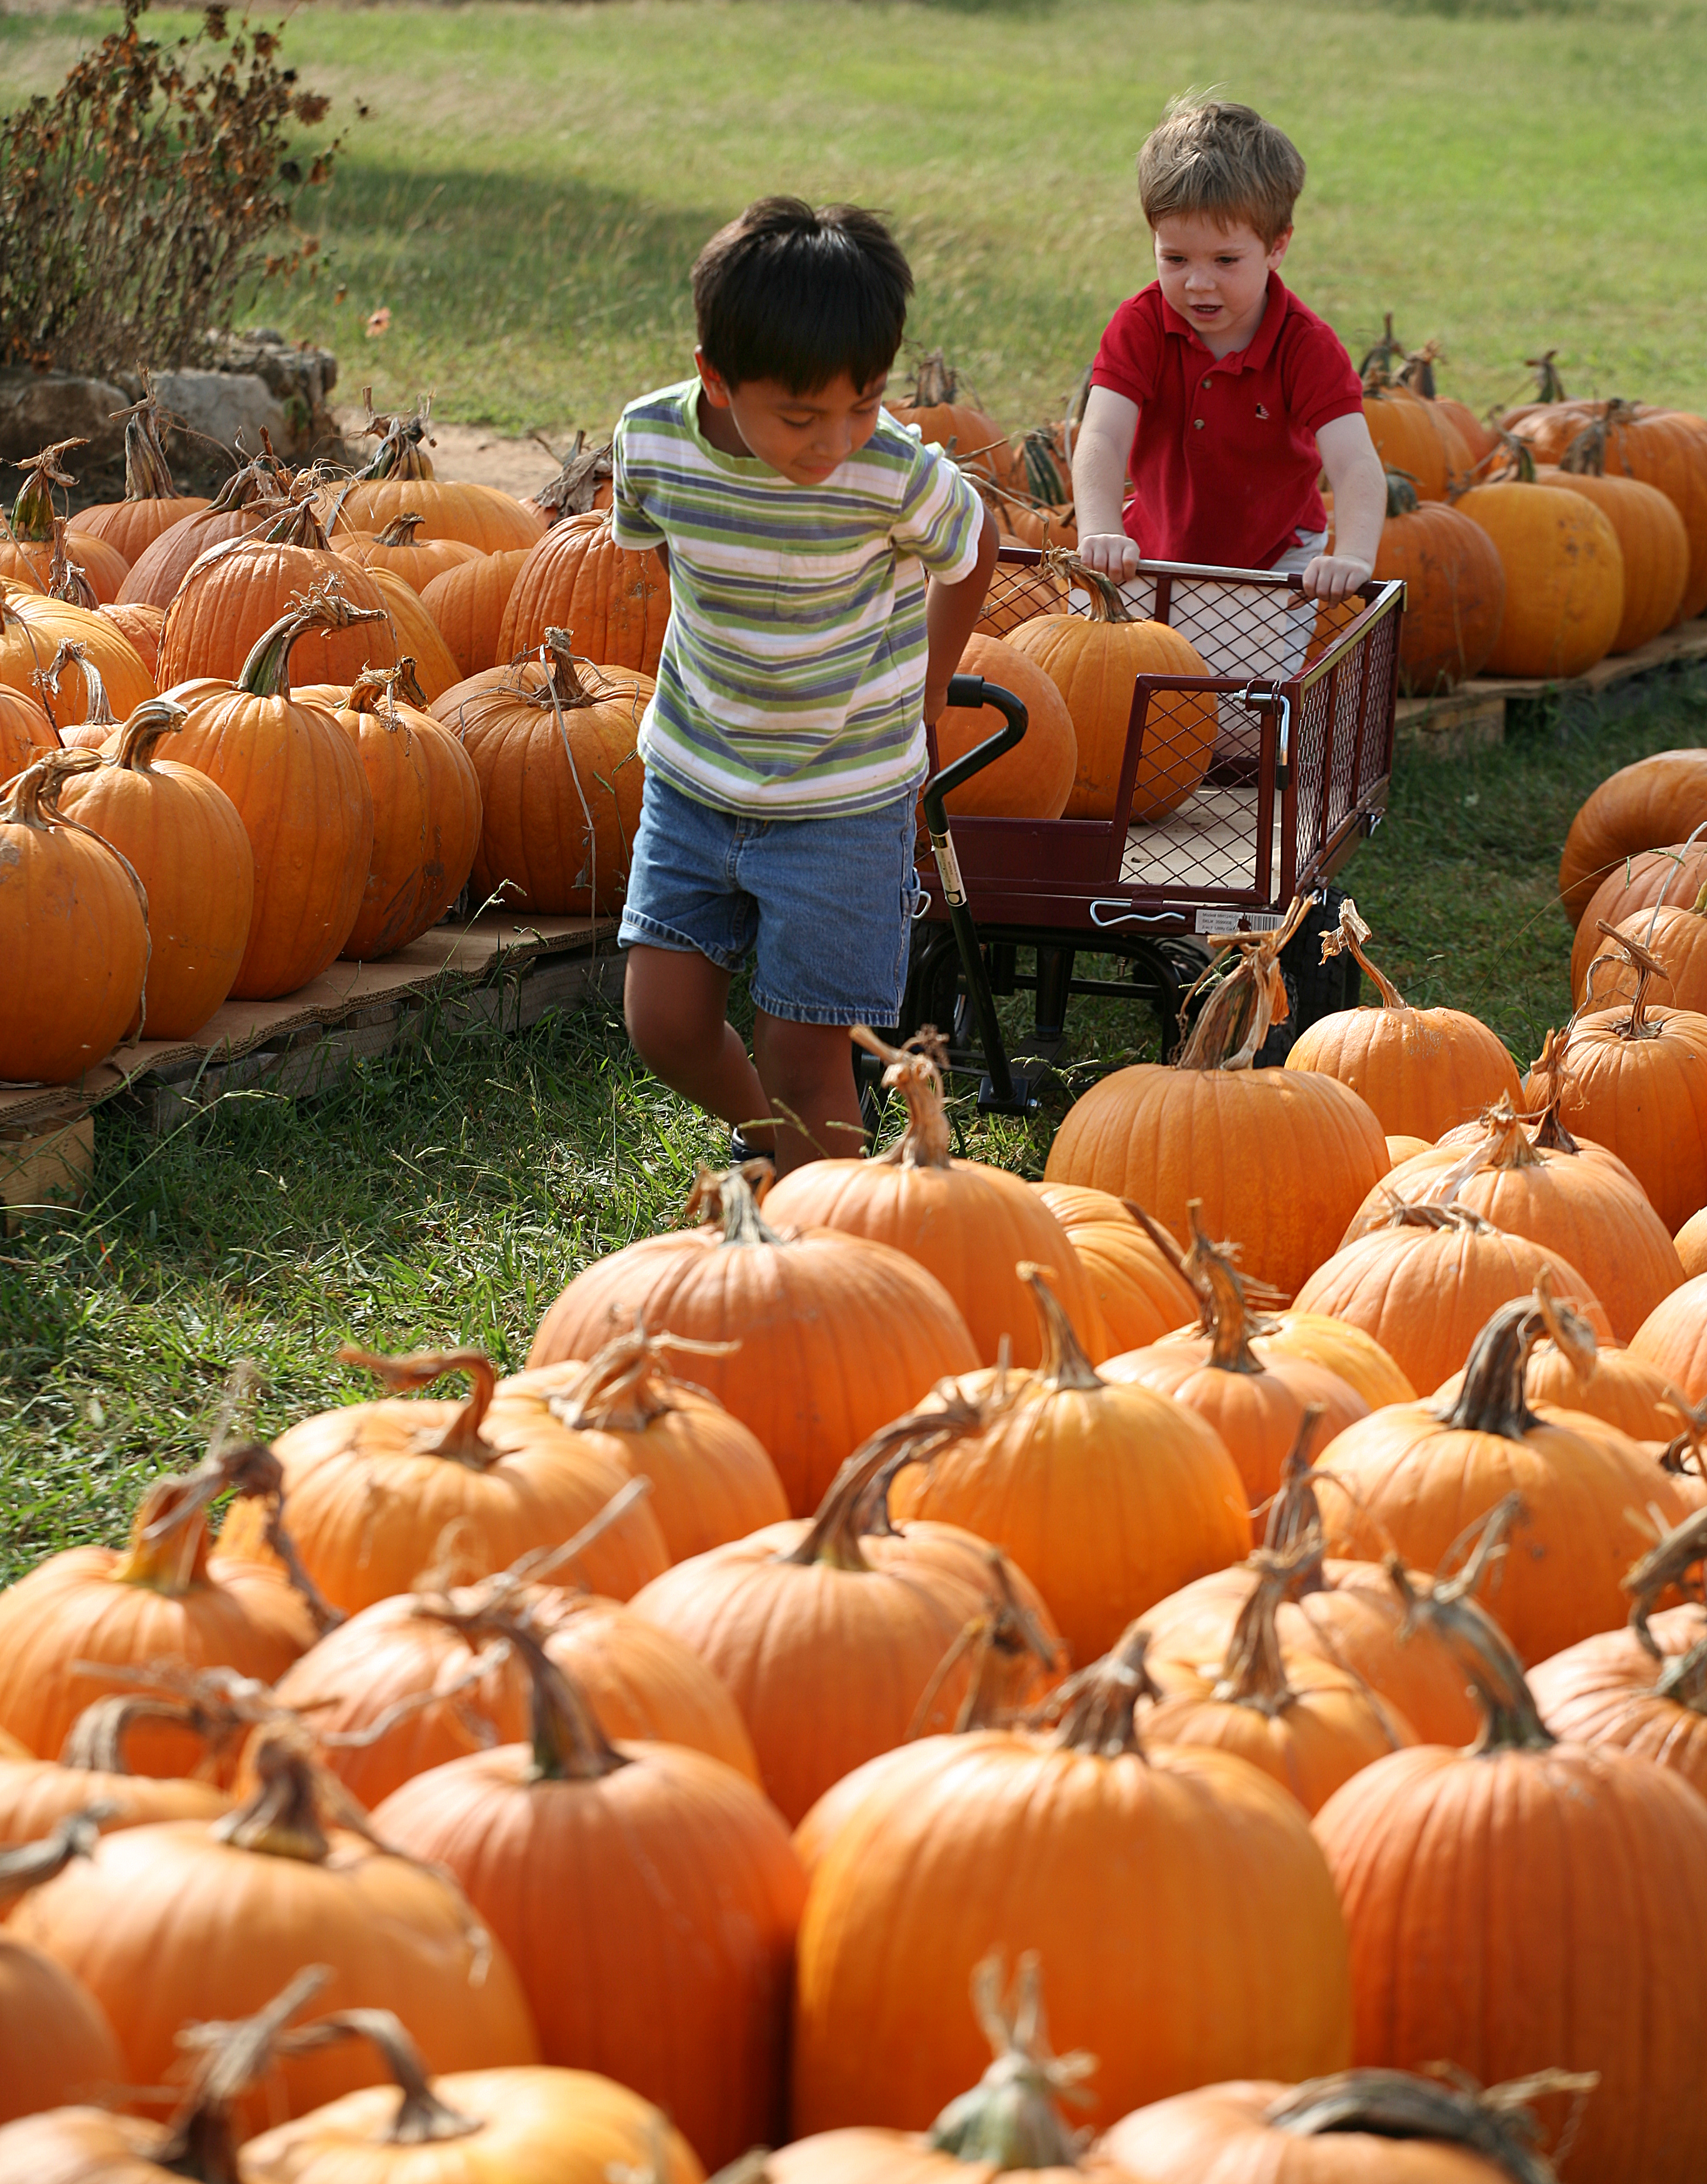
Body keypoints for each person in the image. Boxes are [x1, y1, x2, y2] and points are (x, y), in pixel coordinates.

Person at [610, 198, 998, 1176]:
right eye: (799, 416)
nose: (834, 441)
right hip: (694, 778)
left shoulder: (891, 472)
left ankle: (818, 1236)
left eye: (862, 403)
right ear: (715, 376)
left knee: (807, 1055)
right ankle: (772, 1146)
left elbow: (974, 541)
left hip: (843, 801)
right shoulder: (651, 444)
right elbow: (679, 567)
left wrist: (932, 685)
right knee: (663, 1023)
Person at [1072, 98, 1386, 753]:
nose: (1196, 284)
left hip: (1269, 556)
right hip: (1149, 545)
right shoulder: (1140, 325)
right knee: (1093, 703)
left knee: (1236, 732)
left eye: (1224, 261)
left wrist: (1351, 555)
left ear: (1276, 248)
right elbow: (1100, 435)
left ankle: (1257, 774)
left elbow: (1354, 463)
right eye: (1174, 258)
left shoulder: (1304, 346)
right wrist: (1099, 530)